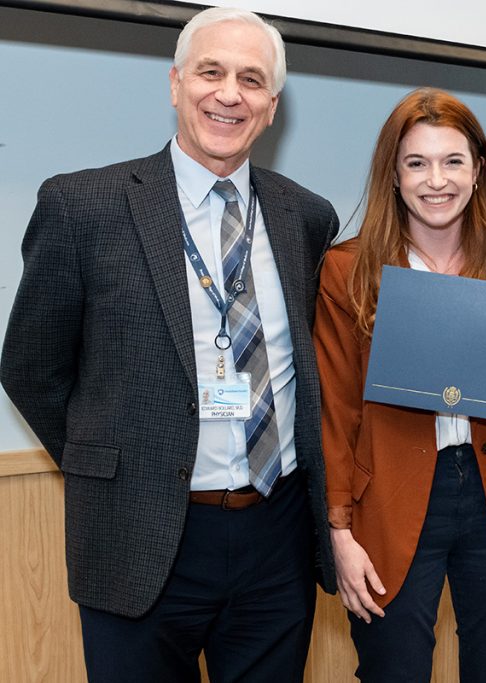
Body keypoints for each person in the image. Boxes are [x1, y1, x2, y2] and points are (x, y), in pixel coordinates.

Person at [0, 7, 339, 682]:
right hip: (138, 535)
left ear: (271, 107)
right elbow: (31, 366)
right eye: (211, 72)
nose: (228, 93)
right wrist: (111, 465)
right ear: (176, 83)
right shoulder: (83, 206)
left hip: (277, 537)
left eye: (251, 80)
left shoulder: (307, 215)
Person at [314, 87, 486, 682]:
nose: (437, 180)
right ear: (394, 175)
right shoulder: (348, 271)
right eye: (417, 163)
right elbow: (334, 410)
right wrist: (338, 531)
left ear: (478, 171)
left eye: (453, 161)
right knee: (392, 671)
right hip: (388, 499)